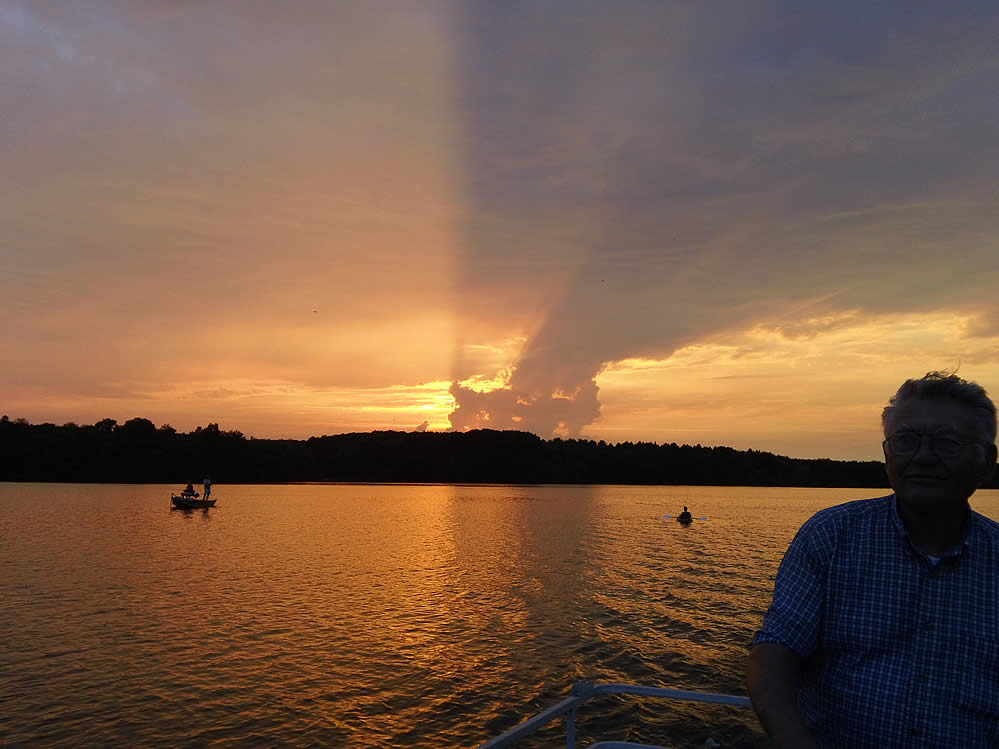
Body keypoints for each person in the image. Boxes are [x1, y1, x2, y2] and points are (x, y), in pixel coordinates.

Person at [746, 371, 998, 748]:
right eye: (906, 440)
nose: (923, 456)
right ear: (886, 454)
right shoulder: (831, 536)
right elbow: (774, 651)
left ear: (985, 461)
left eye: (947, 443)